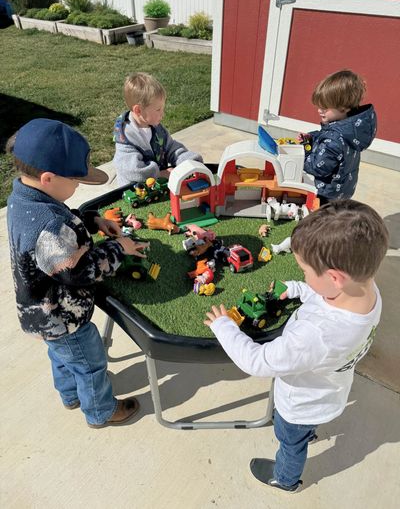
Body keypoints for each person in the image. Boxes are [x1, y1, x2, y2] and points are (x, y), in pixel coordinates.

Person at [204, 200, 388, 492]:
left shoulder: (316, 336)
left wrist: (224, 327)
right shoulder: (367, 291)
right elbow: (326, 296)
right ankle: (308, 432)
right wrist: (298, 288)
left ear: (335, 277)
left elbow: (257, 361)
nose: (304, 276)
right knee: (303, 431)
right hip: (330, 392)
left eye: (305, 271)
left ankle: (285, 478)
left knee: (290, 442)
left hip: (299, 406)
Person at [7, 118, 149, 428]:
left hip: (42, 316)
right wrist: (119, 249)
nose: (78, 185)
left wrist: (93, 220)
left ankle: (70, 395)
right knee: (90, 363)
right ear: (48, 178)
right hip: (63, 318)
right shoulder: (47, 227)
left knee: (61, 356)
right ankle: (101, 411)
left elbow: (63, 221)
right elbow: (80, 272)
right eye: (75, 180)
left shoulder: (24, 197)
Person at [298, 70, 377, 204]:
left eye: (325, 108)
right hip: (342, 190)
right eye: (319, 106)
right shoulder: (350, 128)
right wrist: (312, 137)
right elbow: (327, 134)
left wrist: (305, 149)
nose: (319, 110)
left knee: (323, 216)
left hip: (325, 194)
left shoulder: (334, 140)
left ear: (344, 108)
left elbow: (316, 168)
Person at [113, 72, 203, 186]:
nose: (162, 114)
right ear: (138, 110)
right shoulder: (125, 138)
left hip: (157, 185)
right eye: (158, 110)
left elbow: (172, 148)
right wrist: (159, 174)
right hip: (137, 189)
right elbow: (134, 170)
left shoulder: (157, 129)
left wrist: (189, 162)